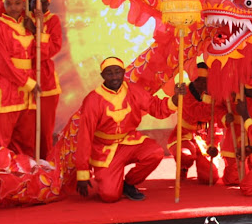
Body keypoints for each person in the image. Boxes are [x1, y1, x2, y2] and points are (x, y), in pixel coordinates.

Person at [75, 57, 180, 203]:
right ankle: (113, 180)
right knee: (109, 196)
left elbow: (155, 107)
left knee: (155, 153)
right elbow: (85, 136)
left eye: (117, 72)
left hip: (129, 142)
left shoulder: (133, 90)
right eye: (109, 73)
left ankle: (129, 183)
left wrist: (175, 99)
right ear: (102, 76)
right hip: (105, 149)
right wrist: (82, 172)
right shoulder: (93, 100)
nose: (114, 77)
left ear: (123, 72)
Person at [0, 0, 39, 157]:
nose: (13, 8)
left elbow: (41, 54)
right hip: (7, 89)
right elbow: (3, 63)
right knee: (1, 142)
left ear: (24, 4)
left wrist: (36, 31)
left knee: (25, 141)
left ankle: (23, 179)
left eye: (18, 3)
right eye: (9, 4)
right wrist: (28, 83)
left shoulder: (28, 25)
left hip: (28, 92)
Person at [167, 62, 220, 184]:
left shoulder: (215, 94)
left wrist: (213, 144)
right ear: (192, 79)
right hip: (184, 135)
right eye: (198, 80)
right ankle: (183, 166)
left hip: (206, 138)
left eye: (205, 81)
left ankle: (203, 163)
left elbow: (215, 121)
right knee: (184, 155)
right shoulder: (184, 92)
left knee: (209, 178)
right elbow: (199, 114)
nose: (202, 84)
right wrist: (208, 98)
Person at [29, 0, 62, 159]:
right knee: (27, 128)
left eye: (44, 3)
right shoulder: (23, 20)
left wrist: (40, 30)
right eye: (36, 2)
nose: (40, 6)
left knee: (45, 128)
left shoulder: (53, 20)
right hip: (24, 80)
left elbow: (48, 50)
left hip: (46, 81)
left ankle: (45, 163)